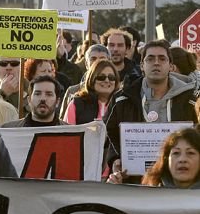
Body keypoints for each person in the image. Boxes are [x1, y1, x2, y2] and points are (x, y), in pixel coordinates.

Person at [105, 40, 198, 178]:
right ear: (142, 65)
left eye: (162, 59)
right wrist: (115, 158)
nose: (156, 62)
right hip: (135, 182)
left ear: (170, 66)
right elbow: (110, 133)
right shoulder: (122, 99)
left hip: (179, 183)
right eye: (150, 58)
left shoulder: (192, 100)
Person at [108, 128, 200, 189]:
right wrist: (115, 192)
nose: (182, 159)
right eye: (176, 153)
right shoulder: (147, 196)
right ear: (166, 159)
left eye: (190, 153)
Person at [63, 59, 119, 125]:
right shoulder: (77, 104)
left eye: (111, 77)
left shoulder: (121, 104)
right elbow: (68, 132)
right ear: (92, 79)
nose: (107, 80)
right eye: (101, 77)